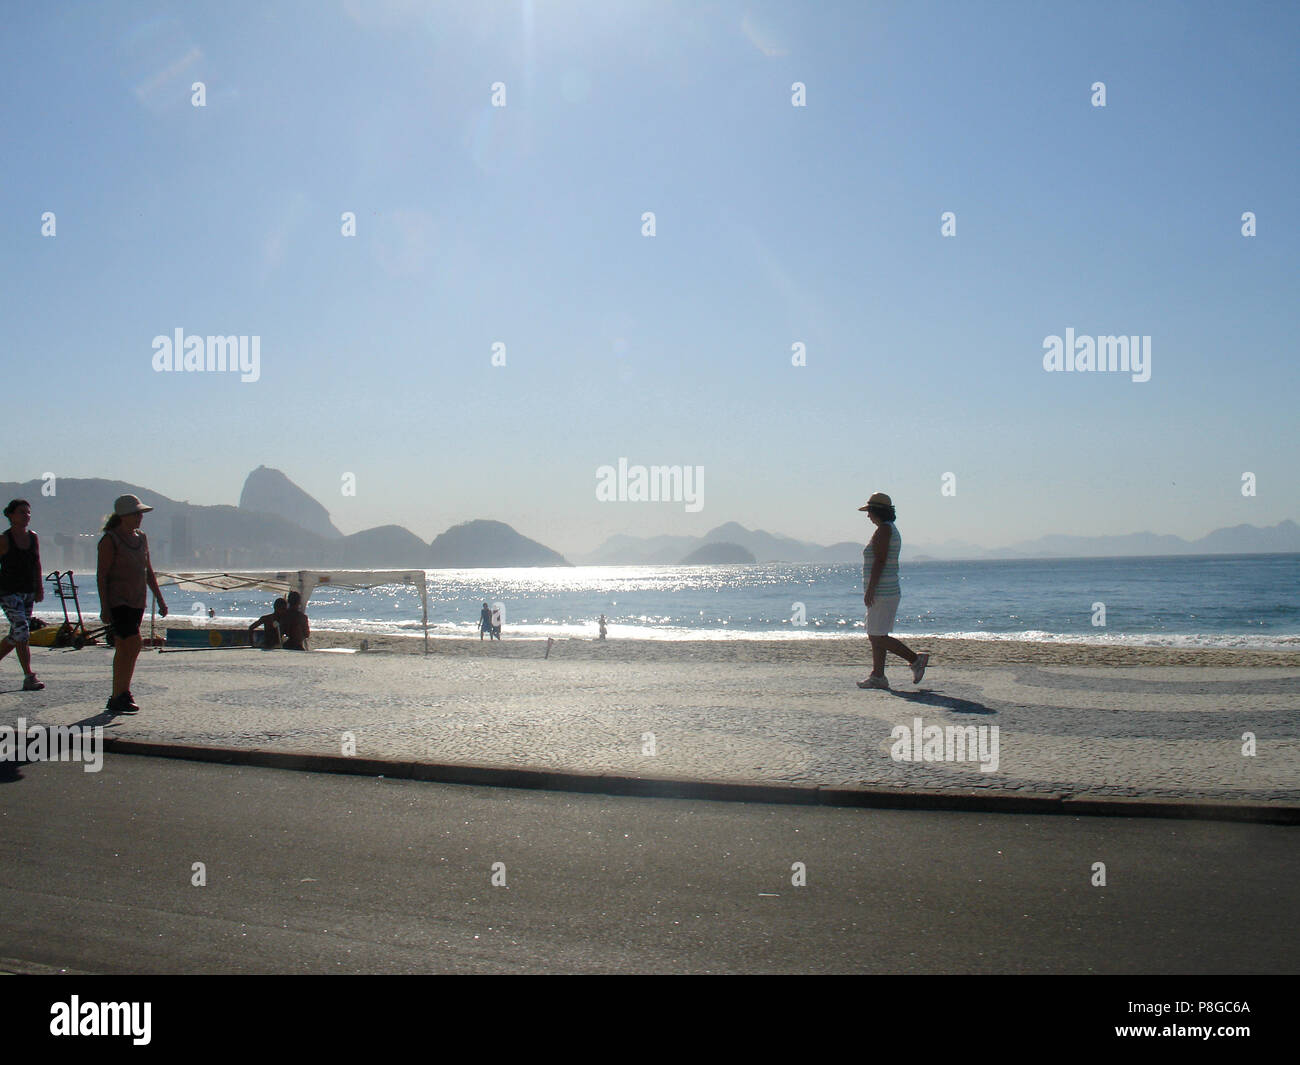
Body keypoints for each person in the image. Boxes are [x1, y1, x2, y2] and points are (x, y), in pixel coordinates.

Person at [97, 495, 168, 714]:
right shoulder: (110, 540)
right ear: (124, 516)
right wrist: (105, 607)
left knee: (124, 647)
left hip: (138, 601)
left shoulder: (141, 538)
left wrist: (159, 598)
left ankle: (119, 693)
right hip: (118, 600)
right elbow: (102, 575)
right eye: (136, 514)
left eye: (141, 514)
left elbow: (148, 570)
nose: (140, 518)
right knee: (134, 642)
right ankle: (121, 693)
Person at [857, 492, 928, 690]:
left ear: (876, 511)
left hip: (883, 591)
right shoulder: (888, 529)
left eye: (869, 511)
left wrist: (870, 589)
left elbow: (880, 561)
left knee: (877, 636)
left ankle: (915, 660)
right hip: (886, 590)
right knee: (876, 633)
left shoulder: (884, 531)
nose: (868, 516)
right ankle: (878, 675)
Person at [0, 500, 46, 691]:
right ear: (11, 515)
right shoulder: (4, 539)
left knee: (15, 635)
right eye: (21, 512)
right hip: (8, 592)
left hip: (28, 591)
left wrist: (39, 587)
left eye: (28, 512)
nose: (26, 516)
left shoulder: (33, 537)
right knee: (22, 632)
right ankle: (29, 676)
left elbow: (36, 563)